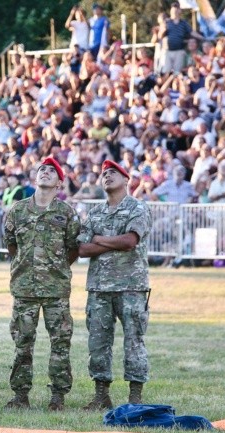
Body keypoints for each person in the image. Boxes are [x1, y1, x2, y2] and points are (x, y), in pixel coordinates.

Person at [3, 157, 80, 411]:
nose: (45, 172)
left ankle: (58, 396)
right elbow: (11, 244)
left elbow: (73, 249)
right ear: (35, 178)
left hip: (56, 289)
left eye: (52, 171)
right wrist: (24, 267)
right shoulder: (18, 210)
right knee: (22, 342)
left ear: (59, 182)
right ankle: (20, 395)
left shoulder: (66, 213)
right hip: (24, 287)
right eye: (42, 170)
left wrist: (54, 270)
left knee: (60, 343)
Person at [77, 160, 151, 410]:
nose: (106, 176)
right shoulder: (95, 212)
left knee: (134, 341)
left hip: (131, 286)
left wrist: (99, 238)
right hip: (99, 287)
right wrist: (110, 241)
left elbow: (130, 241)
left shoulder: (137, 208)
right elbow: (82, 248)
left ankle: (135, 398)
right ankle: (101, 396)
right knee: (98, 343)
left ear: (126, 179)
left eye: (113, 173)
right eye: (104, 174)